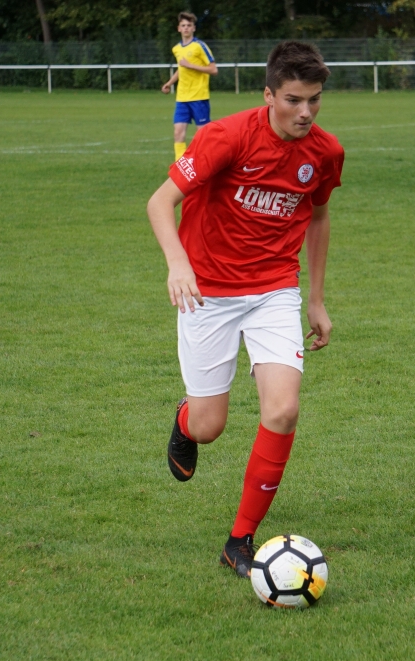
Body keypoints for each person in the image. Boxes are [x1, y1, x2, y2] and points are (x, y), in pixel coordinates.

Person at [147, 41, 344, 578]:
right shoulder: (226, 136)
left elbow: (319, 216)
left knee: (283, 410)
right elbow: (160, 202)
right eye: (293, 100)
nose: (305, 112)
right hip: (206, 293)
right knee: (210, 426)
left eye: (314, 100)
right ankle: (187, 420)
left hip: (274, 290)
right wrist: (178, 264)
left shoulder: (325, 152)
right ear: (268, 95)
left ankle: (240, 539)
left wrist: (316, 298)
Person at [161, 12, 218, 161]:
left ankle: (205, 163)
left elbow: (213, 69)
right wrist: (169, 83)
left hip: (199, 97)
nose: (186, 28)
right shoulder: (176, 49)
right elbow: (181, 69)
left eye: (189, 25)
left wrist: (191, 65)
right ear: (178, 28)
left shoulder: (200, 46)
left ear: (194, 28)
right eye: (183, 25)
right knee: (178, 132)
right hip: (182, 98)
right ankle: (180, 166)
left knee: (203, 135)